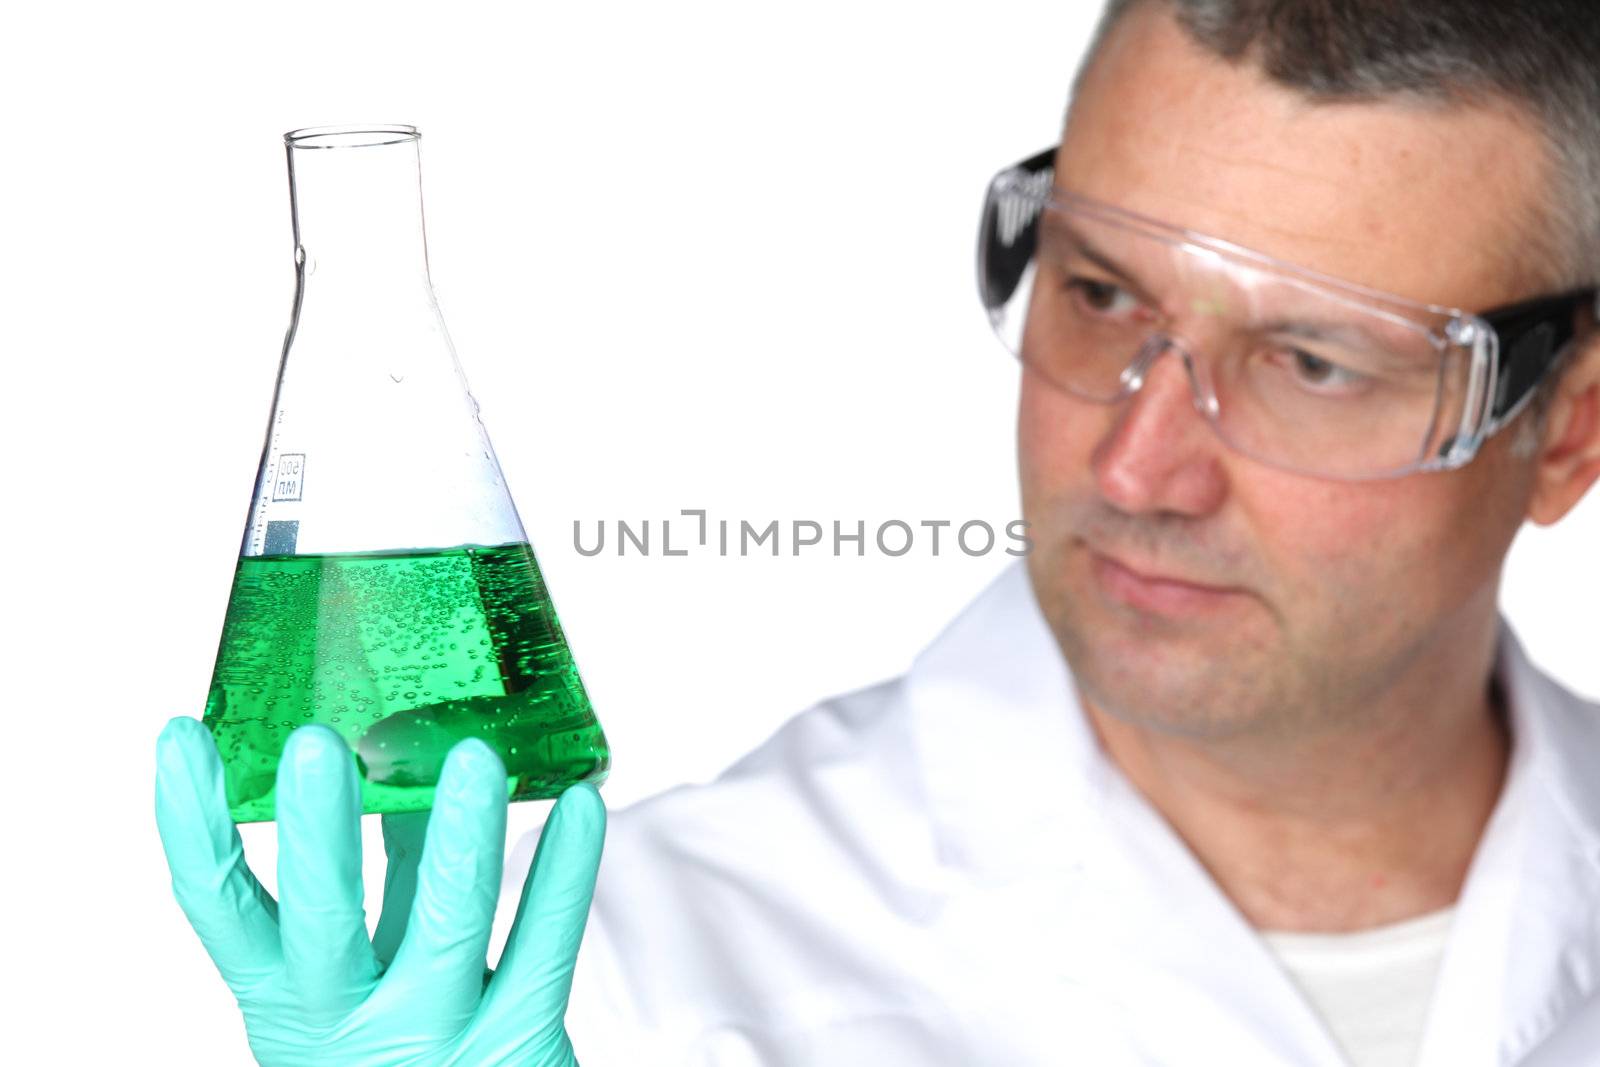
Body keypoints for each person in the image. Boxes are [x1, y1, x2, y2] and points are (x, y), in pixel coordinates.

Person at [156, 0, 1600, 1063]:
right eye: (1099, 293)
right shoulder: (628, 982)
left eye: (1314, 362)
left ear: (1570, 430)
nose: (1141, 464)